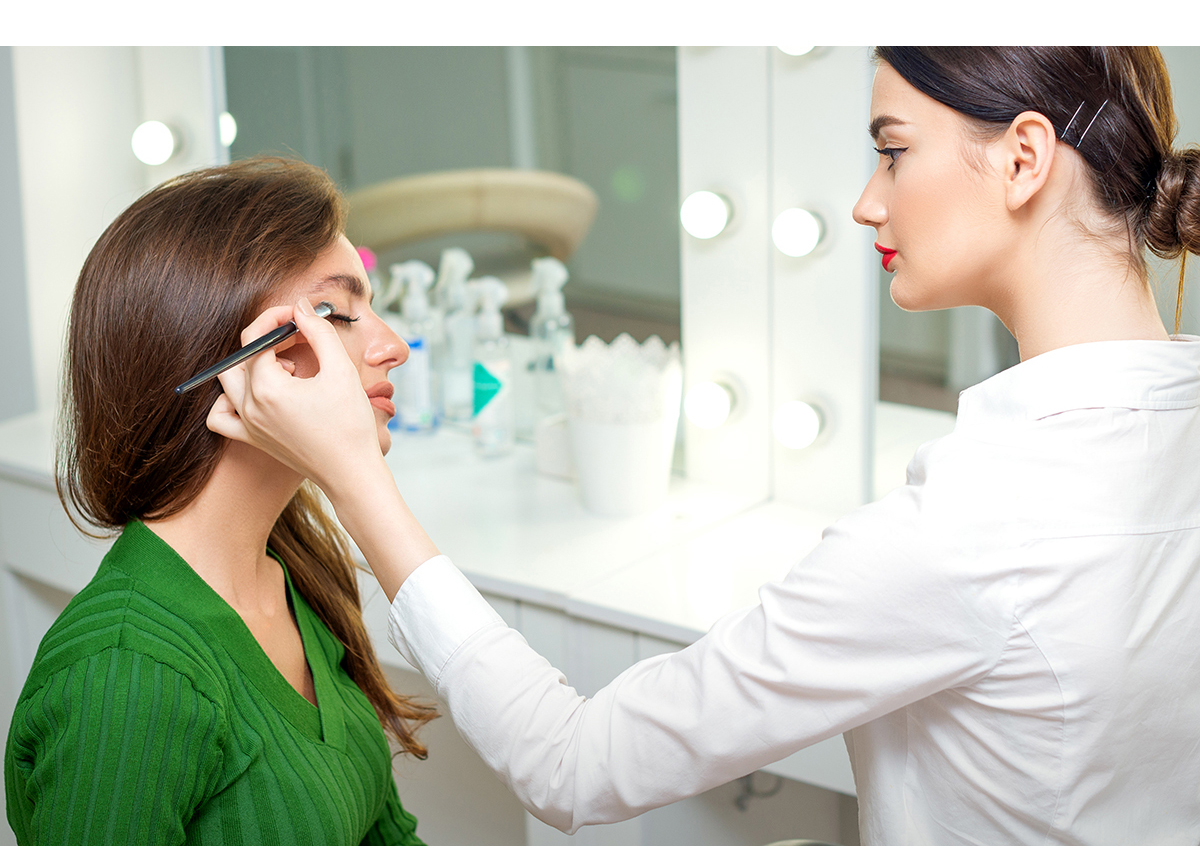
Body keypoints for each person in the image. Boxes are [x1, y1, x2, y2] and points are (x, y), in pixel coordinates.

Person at [207, 48, 1200, 844]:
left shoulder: (967, 533)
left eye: (891, 150)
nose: (866, 200)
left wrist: (352, 474)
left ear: (1024, 158)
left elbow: (571, 765)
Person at [4, 158, 434, 845]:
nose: (391, 345)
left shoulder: (292, 575)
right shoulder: (125, 676)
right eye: (335, 314)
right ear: (218, 362)